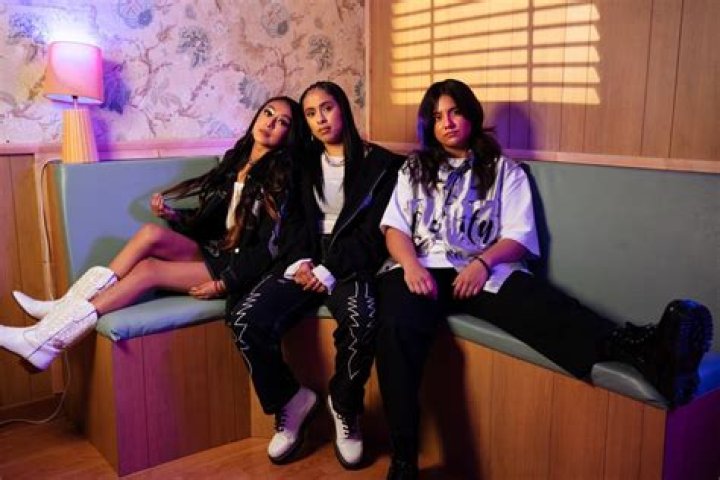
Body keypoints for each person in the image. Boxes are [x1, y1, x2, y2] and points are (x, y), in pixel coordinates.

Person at [374, 78, 713, 480]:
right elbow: (395, 228)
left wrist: (482, 264)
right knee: (395, 327)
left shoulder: (504, 171)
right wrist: (411, 266)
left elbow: (517, 236)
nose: (446, 123)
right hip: (421, 268)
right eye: (436, 117)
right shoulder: (414, 169)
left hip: (481, 269)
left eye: (455, 112)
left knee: (542, 304)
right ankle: (404, 459)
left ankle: (645, 352)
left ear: (471, 115)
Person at [1, 96, 307, 372]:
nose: (271, 123)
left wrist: (223, 283)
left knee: (149, 270)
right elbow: (215, 223)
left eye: (282, 122)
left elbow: (269, 248)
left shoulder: (280, 177)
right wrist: (173, 216)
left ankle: (46, 340)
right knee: (150, 232)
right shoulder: (235, 161)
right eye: (268, 113)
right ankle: (63, 308)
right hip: (217, 250)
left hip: (235, 267)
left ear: (288, 135)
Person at [227, 81, 403, 469]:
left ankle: (344, 405)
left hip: (351, 260)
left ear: (343, 109)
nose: (320, 119)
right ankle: (290, 400)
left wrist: (329, 269)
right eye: (310, 113)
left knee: (362, 318)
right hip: (303, 257)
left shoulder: (382, 165)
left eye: (327, 108)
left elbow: (374, 234)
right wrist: (302, 262)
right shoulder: (300, 162)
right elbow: (290, 221)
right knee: (244, 319)